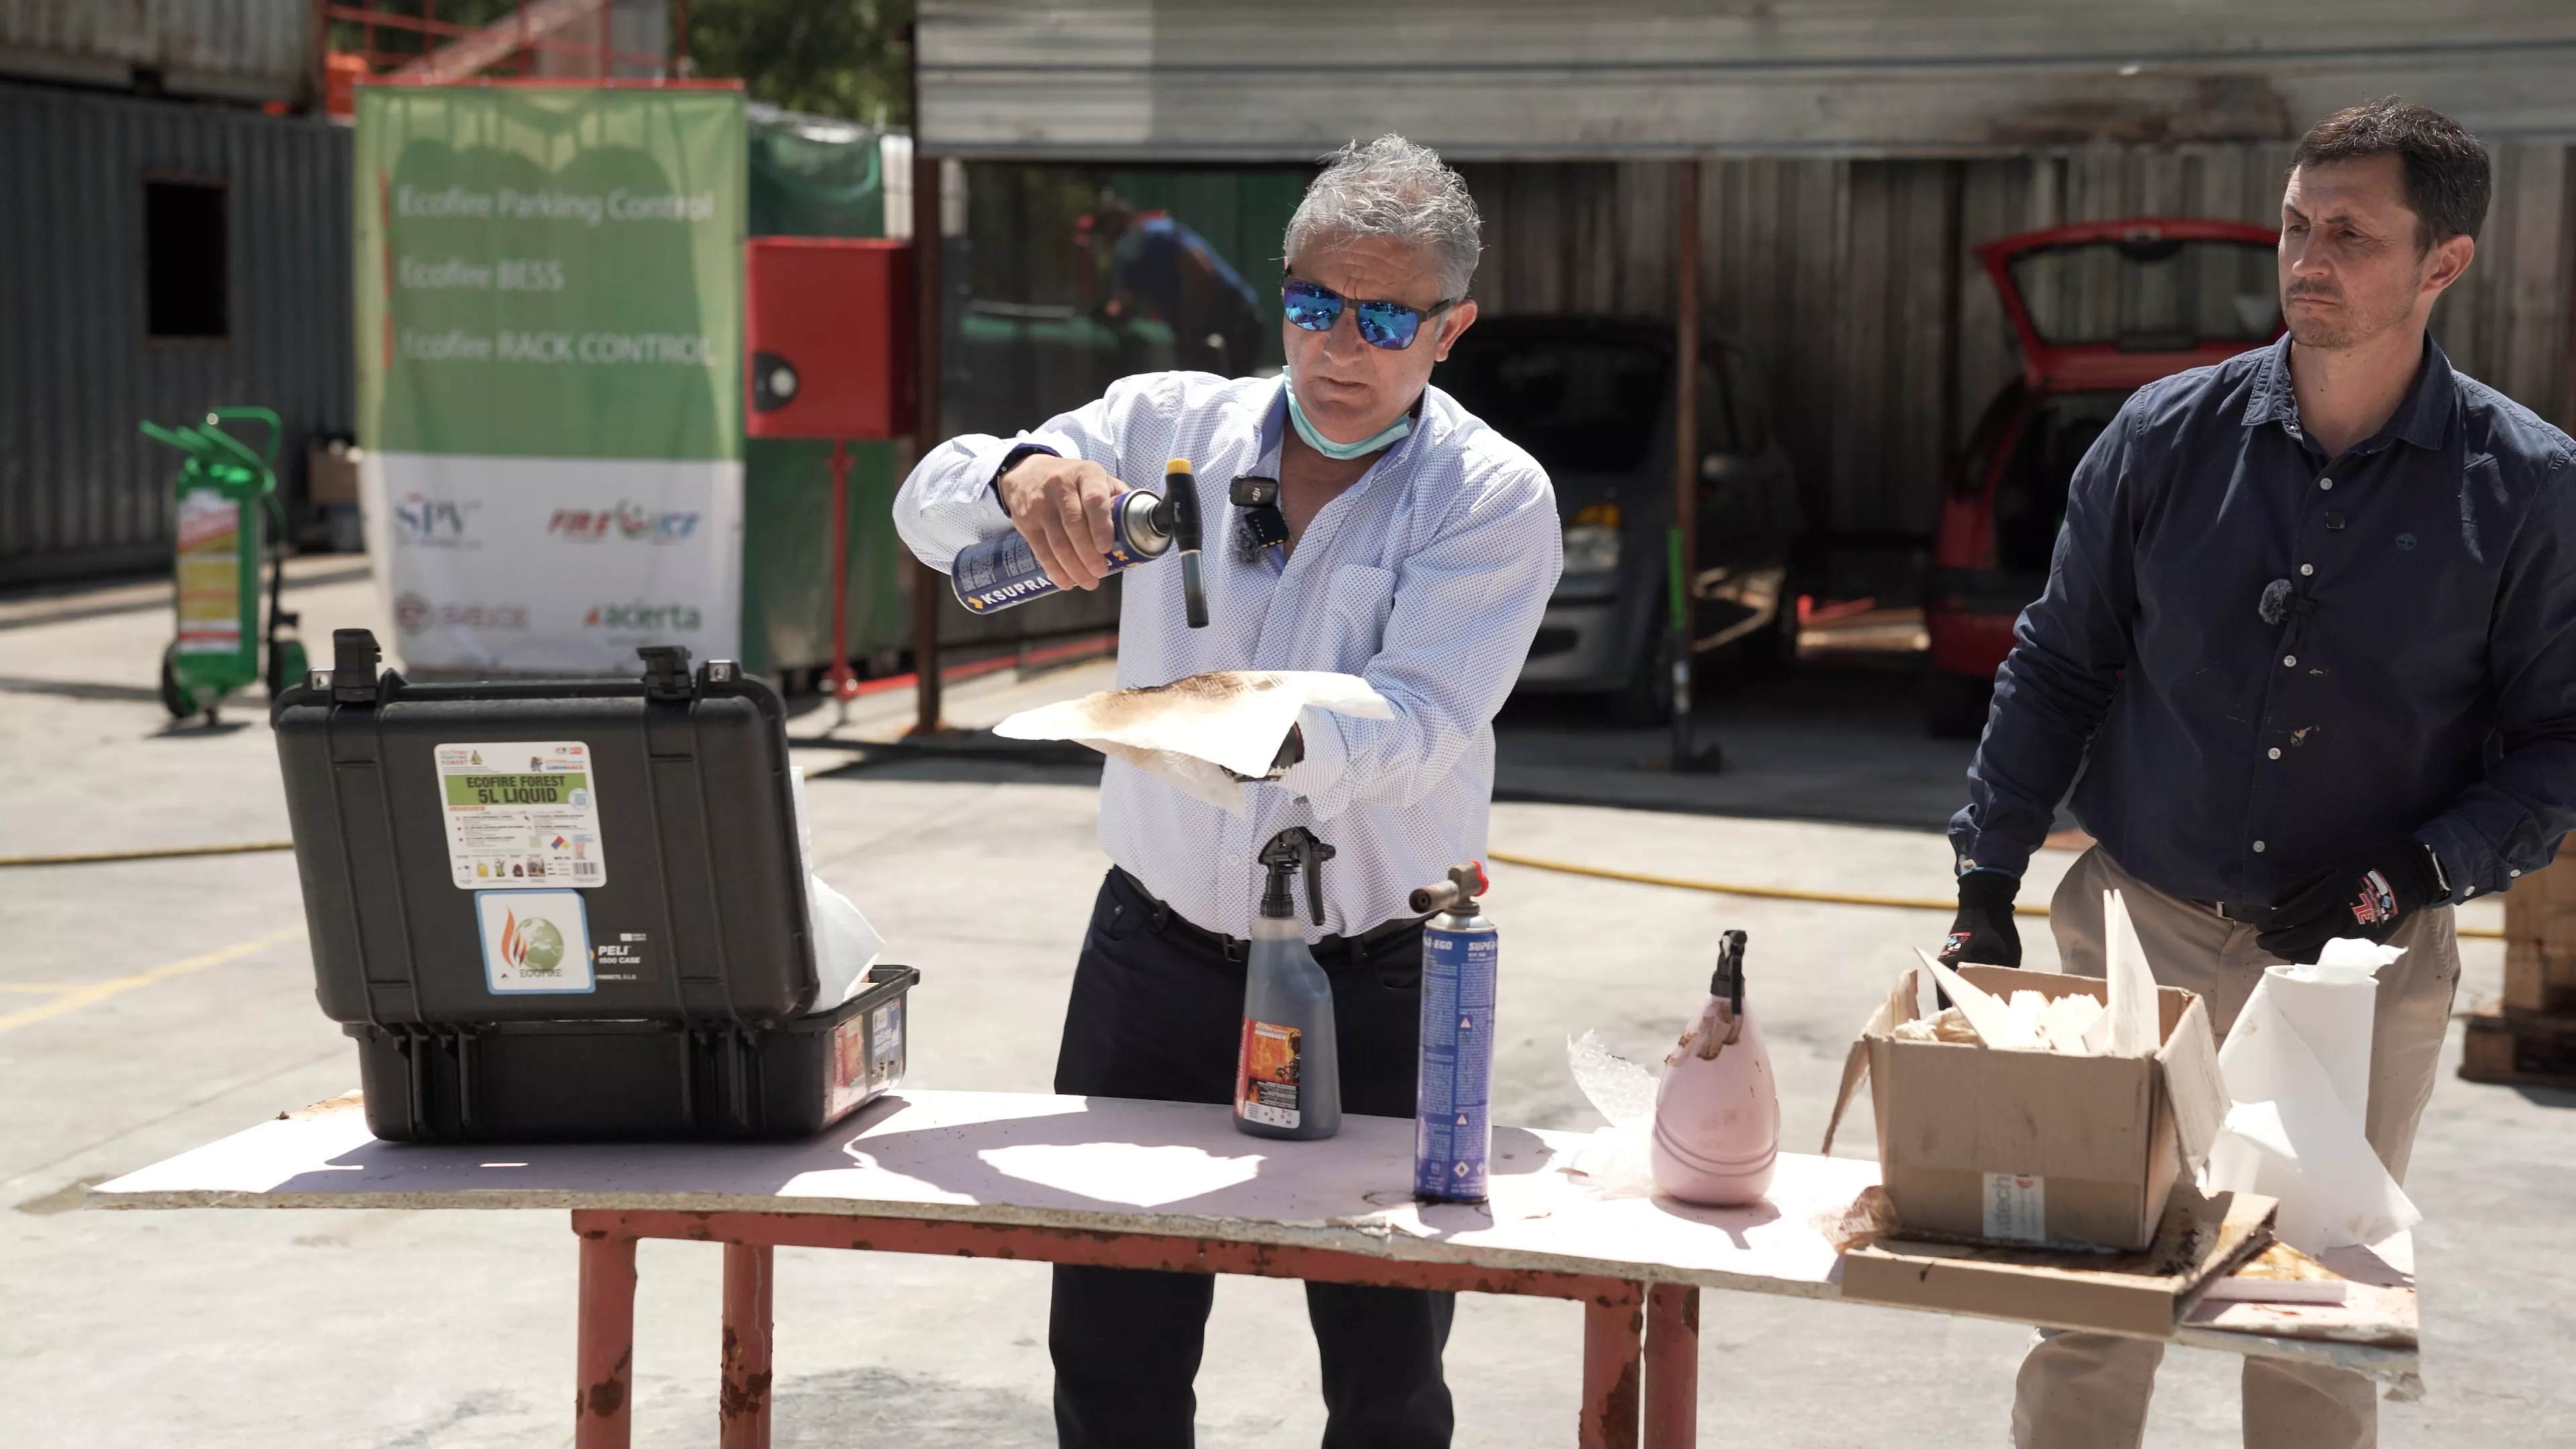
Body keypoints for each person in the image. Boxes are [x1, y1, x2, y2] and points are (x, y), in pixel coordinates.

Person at [892, 135, 1560, 1449]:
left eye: (1384, 319)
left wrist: (1240, 719)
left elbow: (1424, 716)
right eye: (1316, 305)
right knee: (1112, 1352)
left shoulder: (1489, 495)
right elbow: (930, 506)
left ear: (1453, 328)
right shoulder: (1164, 426)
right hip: (1156, 965)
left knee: (1386, 1364)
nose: (1341, 350)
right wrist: (1023, 478)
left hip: (1380, 979)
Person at [1939, 98, 2576, 1448]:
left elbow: (2560, 744)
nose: (2309, 257)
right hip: (2135, 932)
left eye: (2352, 233)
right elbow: (2058, 661)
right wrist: (1987, 875)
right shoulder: (2165, 438)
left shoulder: (2527, 491)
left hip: (2364, 967)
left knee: (2312, 1313)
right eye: (2298, 224)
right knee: (2091, 1298)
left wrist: (2411, 871)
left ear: (2443, 264)